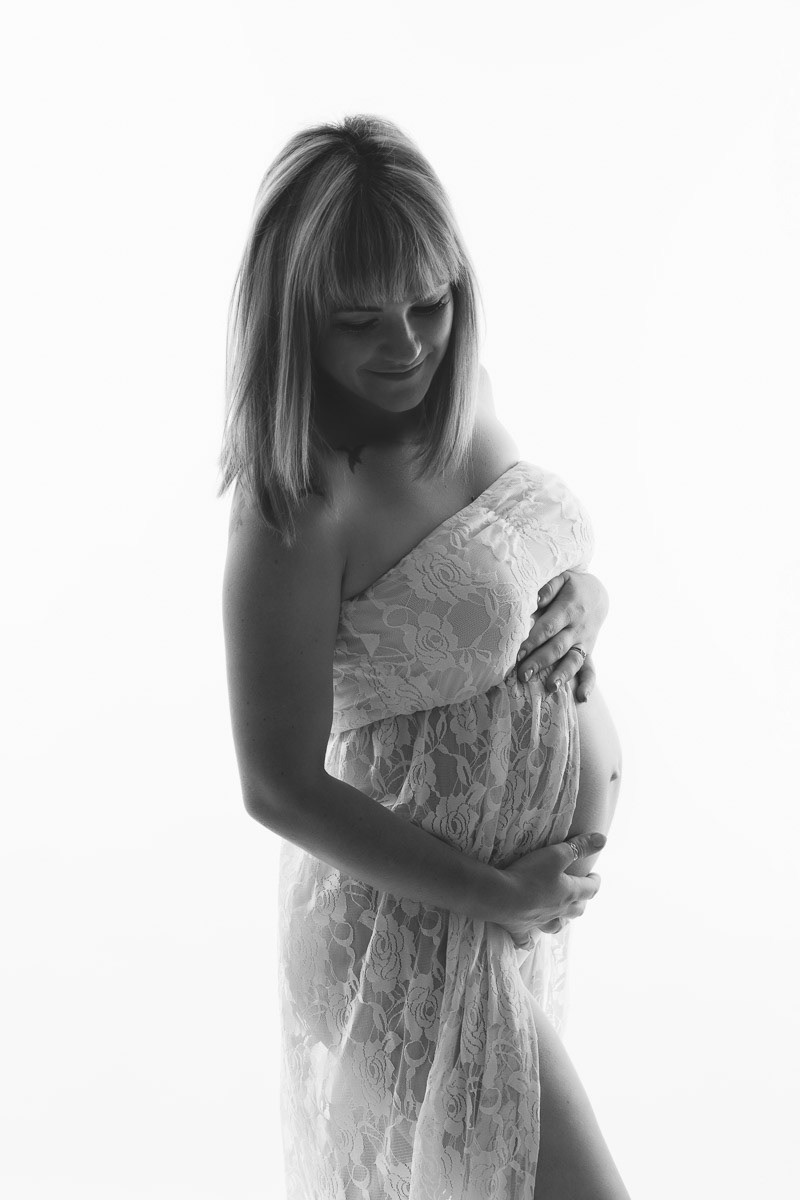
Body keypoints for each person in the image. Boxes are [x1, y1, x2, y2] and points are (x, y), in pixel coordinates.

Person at [220, 114, 628, 1200]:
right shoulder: (300, 499)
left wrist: (588, 601)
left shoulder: (465, 393)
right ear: (296, 319)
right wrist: (486, 891)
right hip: (410, 926)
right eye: (359, 320)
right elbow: (275, 783)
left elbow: (516, 566)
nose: (406, 343)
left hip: (501, 918)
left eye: (429, 302)